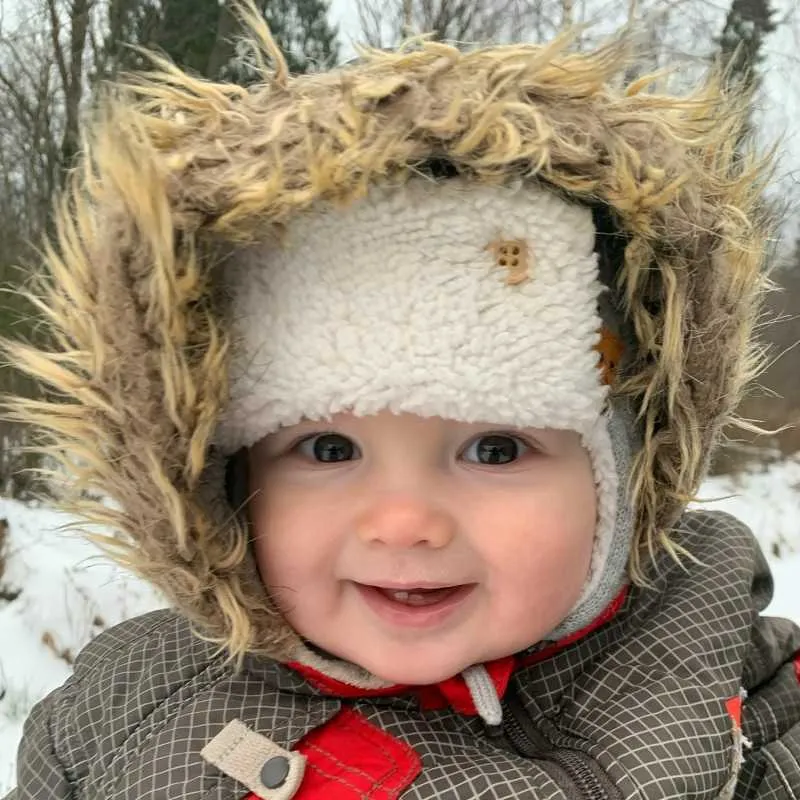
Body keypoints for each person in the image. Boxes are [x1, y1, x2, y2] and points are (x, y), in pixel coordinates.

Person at [5, 4, 800, 799]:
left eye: (494, 448)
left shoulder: (727, 691)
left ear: (620, 474)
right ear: (219, 480)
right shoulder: (126, 717)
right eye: (327, 449)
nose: (404, 523)